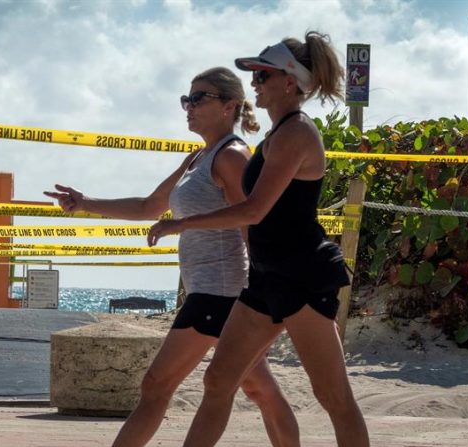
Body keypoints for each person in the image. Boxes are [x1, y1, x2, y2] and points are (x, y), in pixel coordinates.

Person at [44, 67, 299, 447]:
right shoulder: (197, 158)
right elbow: (150, 206)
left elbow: (253, 222)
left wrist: (266, 290)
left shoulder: (231, 157)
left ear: (230, 106)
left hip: (221, 292)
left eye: (200, 98)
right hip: (212, 290)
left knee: (156, 384)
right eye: (187, 98)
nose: (188, 106)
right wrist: (85, 203)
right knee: (259, 389)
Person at [147, 32, 371, 446]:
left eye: (262, 76)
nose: (254, 85)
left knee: (334, 397)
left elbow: (253, 211)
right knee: (218, 381)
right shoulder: (276, 134)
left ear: (290, 81)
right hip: (267, 279)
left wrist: (180, 224)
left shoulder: (297, 133)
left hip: (303, 277)